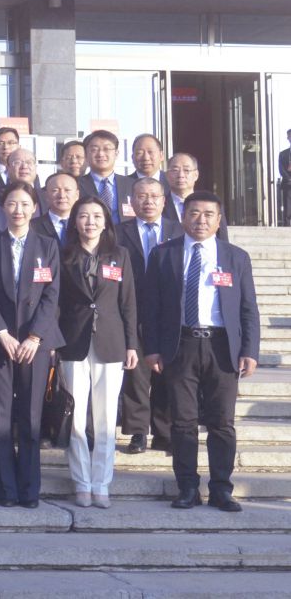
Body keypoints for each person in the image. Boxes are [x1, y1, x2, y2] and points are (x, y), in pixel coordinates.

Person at [143, 191, 260, 512]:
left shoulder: (236, 257)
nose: (201, 220)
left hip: (222, 347)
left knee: (222, 421)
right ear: (183, 217)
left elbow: (248, 308)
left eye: (209, 214)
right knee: (182, 421)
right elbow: (150, 306)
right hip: (180, 345)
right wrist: (151, 348)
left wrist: (250, 350)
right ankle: (188, 487)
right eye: (194, 213)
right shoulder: (163, 254)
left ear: (219, 220)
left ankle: (221, 488)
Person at [0, 180, 62, 508]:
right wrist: (1, 332)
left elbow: (52, 295)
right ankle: (6, 489)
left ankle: (29, 489)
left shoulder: (47, 246)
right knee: (0, 418)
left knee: (30, 417)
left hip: (33, 344)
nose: (18, 210)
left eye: (25, 204)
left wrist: (35, 336)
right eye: (12, 203)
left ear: (35, 208)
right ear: (3, 208)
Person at [57, 195, 139, 509]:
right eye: (83, 216)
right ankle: (81, 482)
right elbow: (56, 302)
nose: (90, 222)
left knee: (105, 418)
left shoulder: (119, 255)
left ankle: (101, 483)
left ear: (106, 222)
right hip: (72, 342)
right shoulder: (63, 254)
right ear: (75, 221)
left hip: (111, 341)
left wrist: (132, 343)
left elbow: (128, 302)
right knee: (76, 416)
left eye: (96, 216)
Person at [118, 176, 182, 454]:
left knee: (166, 373)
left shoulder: (179, 230)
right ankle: (137, 432)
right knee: (136, 374)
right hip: (132, 310)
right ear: (132, 201)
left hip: (169, 313)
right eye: (142, 196)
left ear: (164, 201)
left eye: (154, 196)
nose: (148, 202)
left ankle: (164, 432)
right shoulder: (118, 232)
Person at [78, 130, 135, 223]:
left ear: (116, 154)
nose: (101, 154)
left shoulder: (132, 184)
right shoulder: (76, 185)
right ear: (86, 155)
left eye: (107, 149)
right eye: (94, 149)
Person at [33, 171, 80, 244]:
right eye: (55, 190)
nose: (62, 195)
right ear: (46, 195)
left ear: (77, 194)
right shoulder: (32, 227)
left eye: (67, 190)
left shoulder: (84, 224)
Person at [279, 129, 291, 225]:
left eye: (290, 136)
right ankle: (287, 227)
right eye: (288, 136)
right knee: (287, 208)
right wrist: (289, 178)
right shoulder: (283, 154)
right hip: (288, 184)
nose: (288, 138)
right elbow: (281, 169)